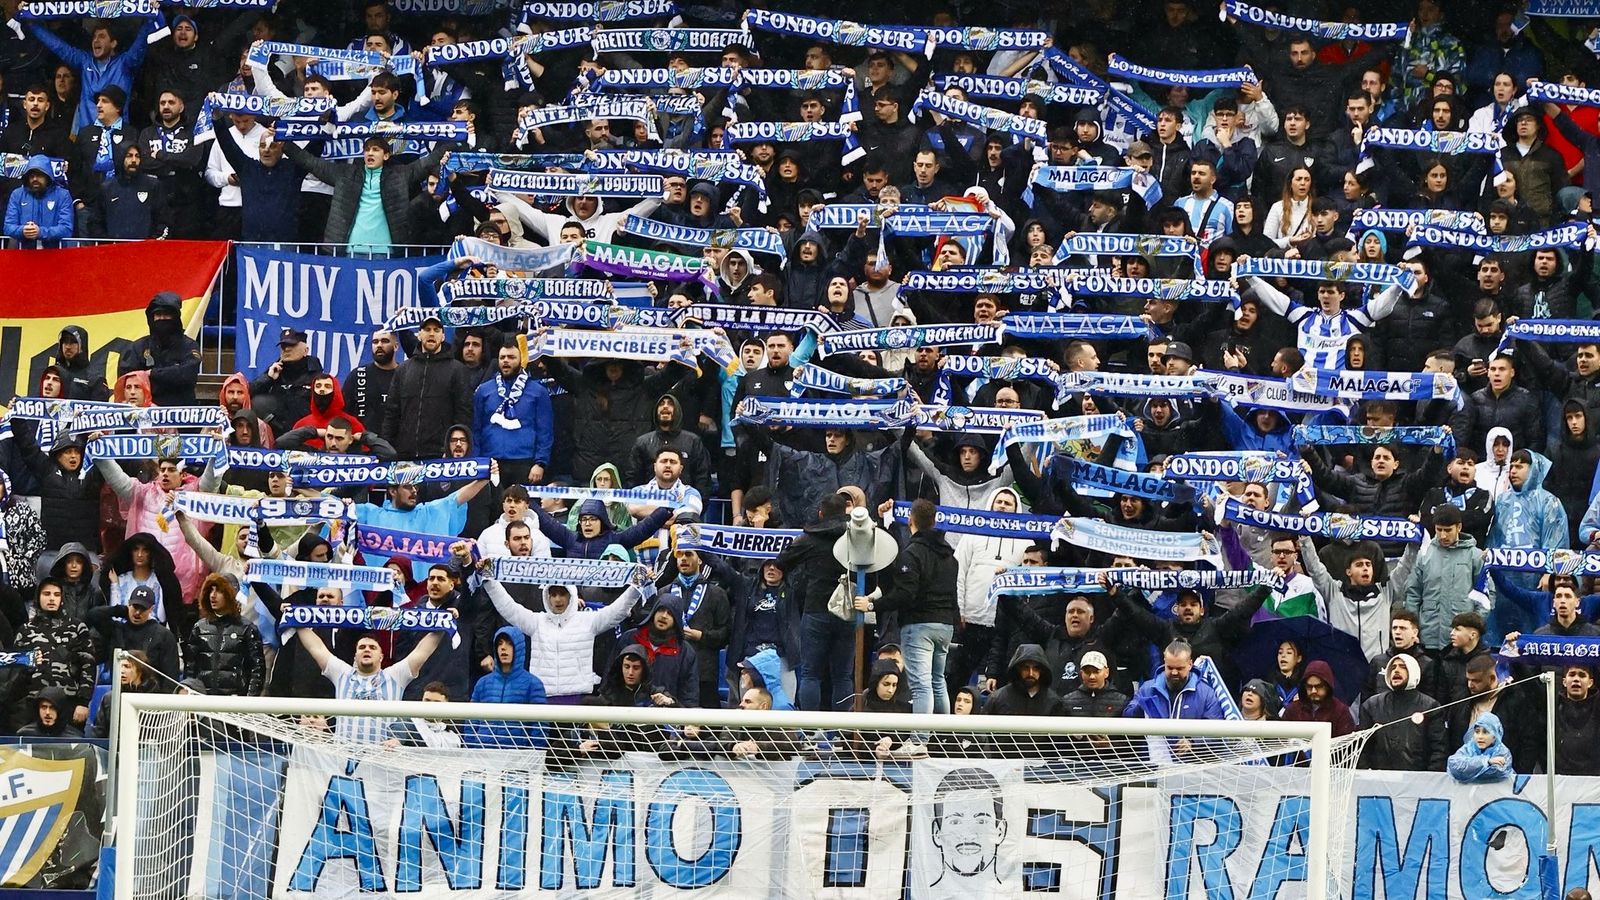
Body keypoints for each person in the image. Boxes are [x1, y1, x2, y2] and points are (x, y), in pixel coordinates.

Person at [855, 499, 959, 720]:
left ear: (910, 520)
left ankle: (919, 740)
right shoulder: (951, 556)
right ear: (935, 521)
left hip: (919, 625)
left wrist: (872, 605)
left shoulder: (912, 554)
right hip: (945, 625)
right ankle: (943, 738)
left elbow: (905, 594)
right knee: (937, 681)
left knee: (921, 685)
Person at [293, 616, 450, 744]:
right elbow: (317, 648)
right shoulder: (342, 673)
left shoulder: (394, 676)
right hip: (344, 758)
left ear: (381, 657)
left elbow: (421, 652)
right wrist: (295, 620)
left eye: (372, 647)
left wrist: (444, 624)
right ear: (355, 656)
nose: (367, 649)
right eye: (362, 648)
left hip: (382, 759)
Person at [1124, 640, 1227, 761]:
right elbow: (1127, 717)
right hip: (1152, 765)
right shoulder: (1147, 689)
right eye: (1170, 667)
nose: (1174, 672)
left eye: (1179, 668)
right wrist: (1142, 708)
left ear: (1190, 664)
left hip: (1191, 767)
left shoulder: (1206, 693)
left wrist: (1192, 741)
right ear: (1164, 662)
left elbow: (1216, 729)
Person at [473, 344, 553, 486]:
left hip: (524, 462)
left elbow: (545, 431)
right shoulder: (484, 390)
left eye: (511, 357)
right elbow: (476, 429)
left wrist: (540, 463)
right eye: (502, 357)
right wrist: (476, 461)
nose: (505, 361)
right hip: (491, 461)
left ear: (521, 360)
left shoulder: (538, 391)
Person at [1357, 655, 1443, 771]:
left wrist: (1427, 780)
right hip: (1379, 781)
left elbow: (1439, 750)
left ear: (1414, 672)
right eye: (1393, 667)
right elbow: (1362, 748)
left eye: (1403, 667)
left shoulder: (1431, 707)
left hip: (1417, 782)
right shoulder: (1371, 705)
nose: (1396, 670)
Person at [183, 574, 264, 697]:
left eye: (219, 591)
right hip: (202, 702)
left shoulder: (247, 629)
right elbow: (190, 669)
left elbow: (257, 669)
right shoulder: (199, 628)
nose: (213, 595)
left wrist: (250, 701)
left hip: (236, 704)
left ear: (231, 593)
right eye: (210, 590)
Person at [116, 291, 202, 407]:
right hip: (145, 414)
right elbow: (128, 380)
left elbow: (187, 375)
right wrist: (171, 375)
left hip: (180, 414)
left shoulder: (189, 346)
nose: (162, 319)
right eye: (158, 315)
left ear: (175, 317)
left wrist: (152, 373)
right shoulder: (138, 347)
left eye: (167, 315)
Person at [466, 628, 547, 748]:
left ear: (519, 648)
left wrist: (531, 756)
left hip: (518, 757)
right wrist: (472, 748)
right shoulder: (482, 683)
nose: (503, 648)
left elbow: (540, 726)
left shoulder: (533, 684)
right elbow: (471, 722)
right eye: (500, 644)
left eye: (509, 644)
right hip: (482, 756)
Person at [4, 154, 73, 247]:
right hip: (24, 253)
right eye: (31, 176)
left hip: (54, 253)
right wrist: (22, 230)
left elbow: (66, 228)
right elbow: (8, 226)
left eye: (39, 175)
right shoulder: (17, 194)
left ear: (48, 176)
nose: (35, 179)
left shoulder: (63, 195)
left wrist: (41, 232)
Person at [1280, 660, 1355, 738]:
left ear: (1327, 686)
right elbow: (1281, 740)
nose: (1313, 691)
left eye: (1318, 686)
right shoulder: (1293, 710)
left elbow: (1346, 744)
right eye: (1309, 686)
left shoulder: (1341, 712)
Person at [1446, 713, 1514, 783]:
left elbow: (1496, 772)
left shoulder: (1502, 751)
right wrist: (1487, 761)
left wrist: (1471, 767)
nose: (1480, 736)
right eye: (1477, 732)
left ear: (1495, 736)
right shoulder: (1468, 748)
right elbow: (1454, 765)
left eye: (1485, 732)